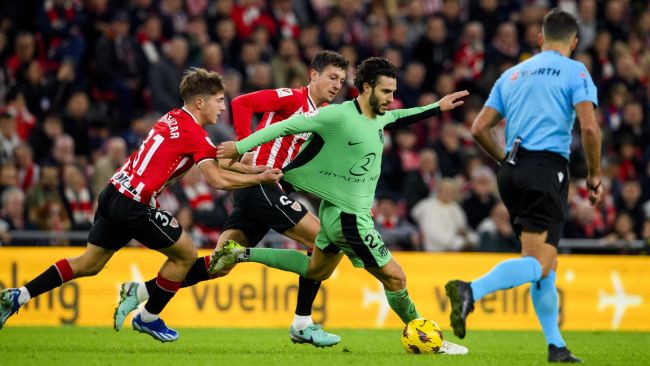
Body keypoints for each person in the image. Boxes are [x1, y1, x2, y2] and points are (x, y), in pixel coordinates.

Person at [0, 68, 282, 342]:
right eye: (219, 100)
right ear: (200, 102)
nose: (223, 108)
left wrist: (258, 172)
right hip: (135, 203)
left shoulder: (173, 117)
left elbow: (217, 161)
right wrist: (256, 181)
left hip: (113, 192)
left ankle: (19, 296)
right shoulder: (195, 135)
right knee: (185, 254)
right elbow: (217, 179)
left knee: (89, 263)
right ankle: (147, 317)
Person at [213, 57, 470, 355]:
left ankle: (240, 253)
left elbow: (403, 116)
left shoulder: (380, 117)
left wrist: (437, 107)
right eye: (386, 92)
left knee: (316, 270)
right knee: (396, 276)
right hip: (350, 219)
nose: (391, 98)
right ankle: (429, 340)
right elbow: (287, 126)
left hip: (335, 213)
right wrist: (241, 146)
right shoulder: (337, 115)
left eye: (393, 92)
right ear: (366, 88)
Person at [113, 51, 348, 347]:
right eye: (332, 77)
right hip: (259, 186)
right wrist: (242, 145)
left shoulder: (323, 115)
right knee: (325, 241)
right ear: (313, 75)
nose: (337, 84)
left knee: (220, 263)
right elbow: (243, 102)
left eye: (341, 79)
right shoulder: (293, 98)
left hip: (265, 190)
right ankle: (302, 323)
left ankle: (143, 296)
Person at [444, 9, 602, 363]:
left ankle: (556, 346)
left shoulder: (512, 73)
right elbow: (590, 128)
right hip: (546, 168)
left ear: (540, 39)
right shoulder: (575, 70)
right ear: (574, 42)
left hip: (512, 170)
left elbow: (479, 128)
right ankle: (471, 290)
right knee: (539, 261)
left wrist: (504, 160)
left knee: (546, 261)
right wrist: (593, 176)